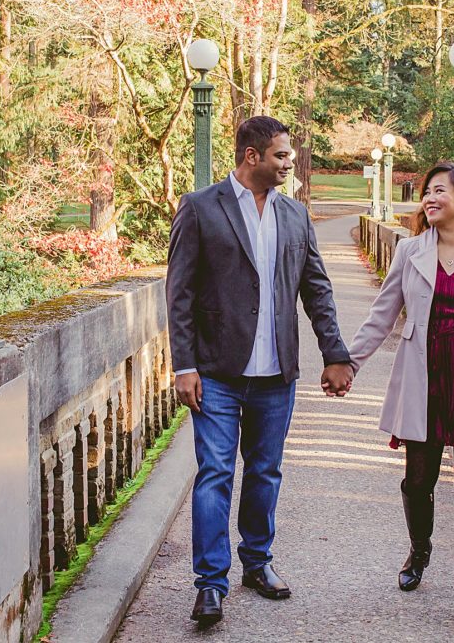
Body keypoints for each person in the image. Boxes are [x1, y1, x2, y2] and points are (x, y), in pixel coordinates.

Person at [166, 115, 355, 629]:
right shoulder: (201, 207)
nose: (289, 162)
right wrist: (184, 366)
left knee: (266, 471)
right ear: (252, 156)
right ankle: (210, 585)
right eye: (281, 156)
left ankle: (257, 562)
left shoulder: (295, 215)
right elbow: (178, 294)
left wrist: (335, 354)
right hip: (217, 374)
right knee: (215, 475)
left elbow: (316, 289)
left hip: (277, 376)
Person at [347, 162, 454, 627]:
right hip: (423, 380)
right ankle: (419, 550)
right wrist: (348, 362)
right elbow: (382, 314)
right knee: (418, 480)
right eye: (427, 191)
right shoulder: (410, 250)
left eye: (439, 191)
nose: (429, 197)